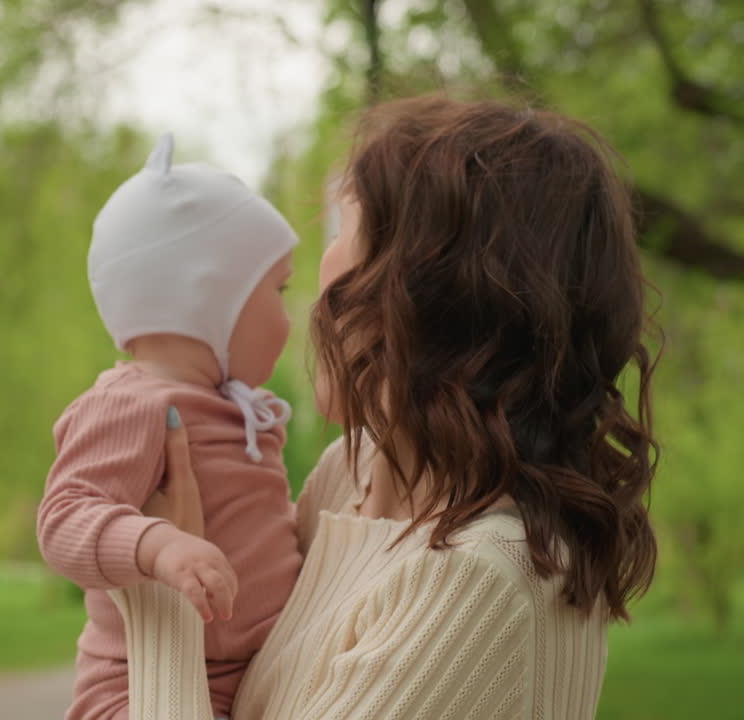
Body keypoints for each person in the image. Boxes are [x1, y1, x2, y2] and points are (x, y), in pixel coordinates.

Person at [109, 94, 659, 720]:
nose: (316, 279)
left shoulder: (479, 582)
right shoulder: (353, 477)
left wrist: (161, 601)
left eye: (344, 231)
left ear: (430, 296)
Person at [37, 134, 306, 720]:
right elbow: (64, 517)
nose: (289, 315)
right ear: (209, 297)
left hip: (249, 675)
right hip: (135, 686)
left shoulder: (240, 413)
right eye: (278, 290)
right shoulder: (132, 404)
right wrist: (157, 545)